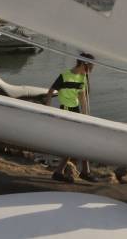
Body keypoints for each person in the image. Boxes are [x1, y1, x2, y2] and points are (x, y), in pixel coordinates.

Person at [44, 52, 99, 183]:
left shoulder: (83, 77)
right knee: (75, 141)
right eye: (91, 65)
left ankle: (70, 171)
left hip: (76, 110)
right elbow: (51, 91)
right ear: (84, 64)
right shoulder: (65, 76)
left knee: (79, 140)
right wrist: (47, 109)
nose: (93, 68)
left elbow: (82, 97)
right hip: (66, 111)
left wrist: (86, 116)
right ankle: (80, 171)